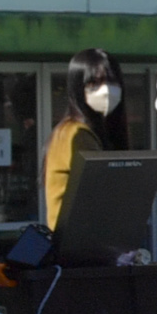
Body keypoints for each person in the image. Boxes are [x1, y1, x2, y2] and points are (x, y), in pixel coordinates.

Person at [41, 48, 127, 232]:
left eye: (112, 81)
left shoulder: (76, 130)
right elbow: (101, 194)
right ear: (78, 88)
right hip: (77, 240)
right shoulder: (77, 134)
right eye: (94, 82)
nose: (106, 90)